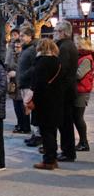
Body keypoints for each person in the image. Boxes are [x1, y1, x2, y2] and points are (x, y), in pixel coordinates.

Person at [32, 38, 65, 170]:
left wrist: (34, 100)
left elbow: (38, 84)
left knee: (46, 132)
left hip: (44, 102)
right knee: (52, 131)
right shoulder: (58, 62)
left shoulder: (41, 62)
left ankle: (49, 160)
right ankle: (53, 158)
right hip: (56, 100)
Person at [55, 21, 79, 162]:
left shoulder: (64, 47)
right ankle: (67, 150)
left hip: (65, 90)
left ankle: (67, 152)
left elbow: (61, 69)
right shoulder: (68, 45)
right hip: (67, 89)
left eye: (57, 31)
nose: (55, 33)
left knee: (65, 123)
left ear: (63, 32)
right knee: (65, 122)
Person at [17, 26, 38, 145]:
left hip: (29, 84)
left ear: (30, 36)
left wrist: (24, 75)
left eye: (22, 36)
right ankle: (34, 134)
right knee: (29, 109)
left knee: (32, 109)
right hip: (24, 83)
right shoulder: (26, 48)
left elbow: (35, 66)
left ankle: (38, 135)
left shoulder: (32, 49)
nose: (21, 38)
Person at [75, 37, 93, 152]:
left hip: (82, 91)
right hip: (79, 90)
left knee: (78, 117)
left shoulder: (86, 58)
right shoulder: (81, 57)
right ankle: (82, 142)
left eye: (77, 44)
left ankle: (84, 142)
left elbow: (79, 75)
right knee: (76, 117)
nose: (76, 46)